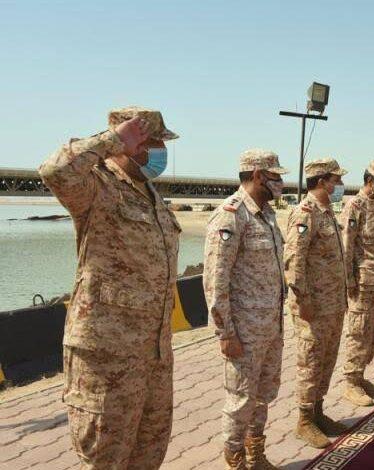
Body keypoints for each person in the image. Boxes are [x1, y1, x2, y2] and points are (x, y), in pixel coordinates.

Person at [39, 106, 180, 469]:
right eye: (154, 142)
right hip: (107, 358)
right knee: (106, 458)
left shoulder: (150, 193)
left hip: (154, 356)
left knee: (149, 453)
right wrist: (110, 140)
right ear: (131, 143)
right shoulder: (96, 187)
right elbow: (53, 171)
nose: (161, 151)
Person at [203, 149, 288, 469]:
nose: (280, 182)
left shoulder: (267, 214)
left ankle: (256, 455)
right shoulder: (231, 215)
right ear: (257, 175)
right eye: (275, 176)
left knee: (264, 395)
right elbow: (215, 280)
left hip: (270, 327)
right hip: (243, 332)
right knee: (240, 400)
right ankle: (235, 460)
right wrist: (225, 333)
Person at [284, 158, 349, 448]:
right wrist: (303, 300)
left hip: (332, 304)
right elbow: (294, 260)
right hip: (313, 307)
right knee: (310, 362)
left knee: (326, 359)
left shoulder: (327, 212)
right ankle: (304, 420)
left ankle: (318, 412)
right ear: (322, 182)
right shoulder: (305, 213)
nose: (340, 185)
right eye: (336, 180)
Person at [340, 161, 374, 406]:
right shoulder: (355, 204)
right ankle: (351, 382)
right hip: (360, 282)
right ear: (370, 182)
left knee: (371, 332)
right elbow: (346, 244)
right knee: (359, 332)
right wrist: (348, 280)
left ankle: (360, 376)